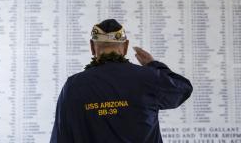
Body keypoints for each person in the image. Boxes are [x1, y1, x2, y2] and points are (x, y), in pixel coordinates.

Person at [50, 19, 193, 143]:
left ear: (92, 47)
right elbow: (183, 89)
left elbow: (61, 136)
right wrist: (153, 65)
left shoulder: (73, 86)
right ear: (125, 47)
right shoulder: (147, 78)